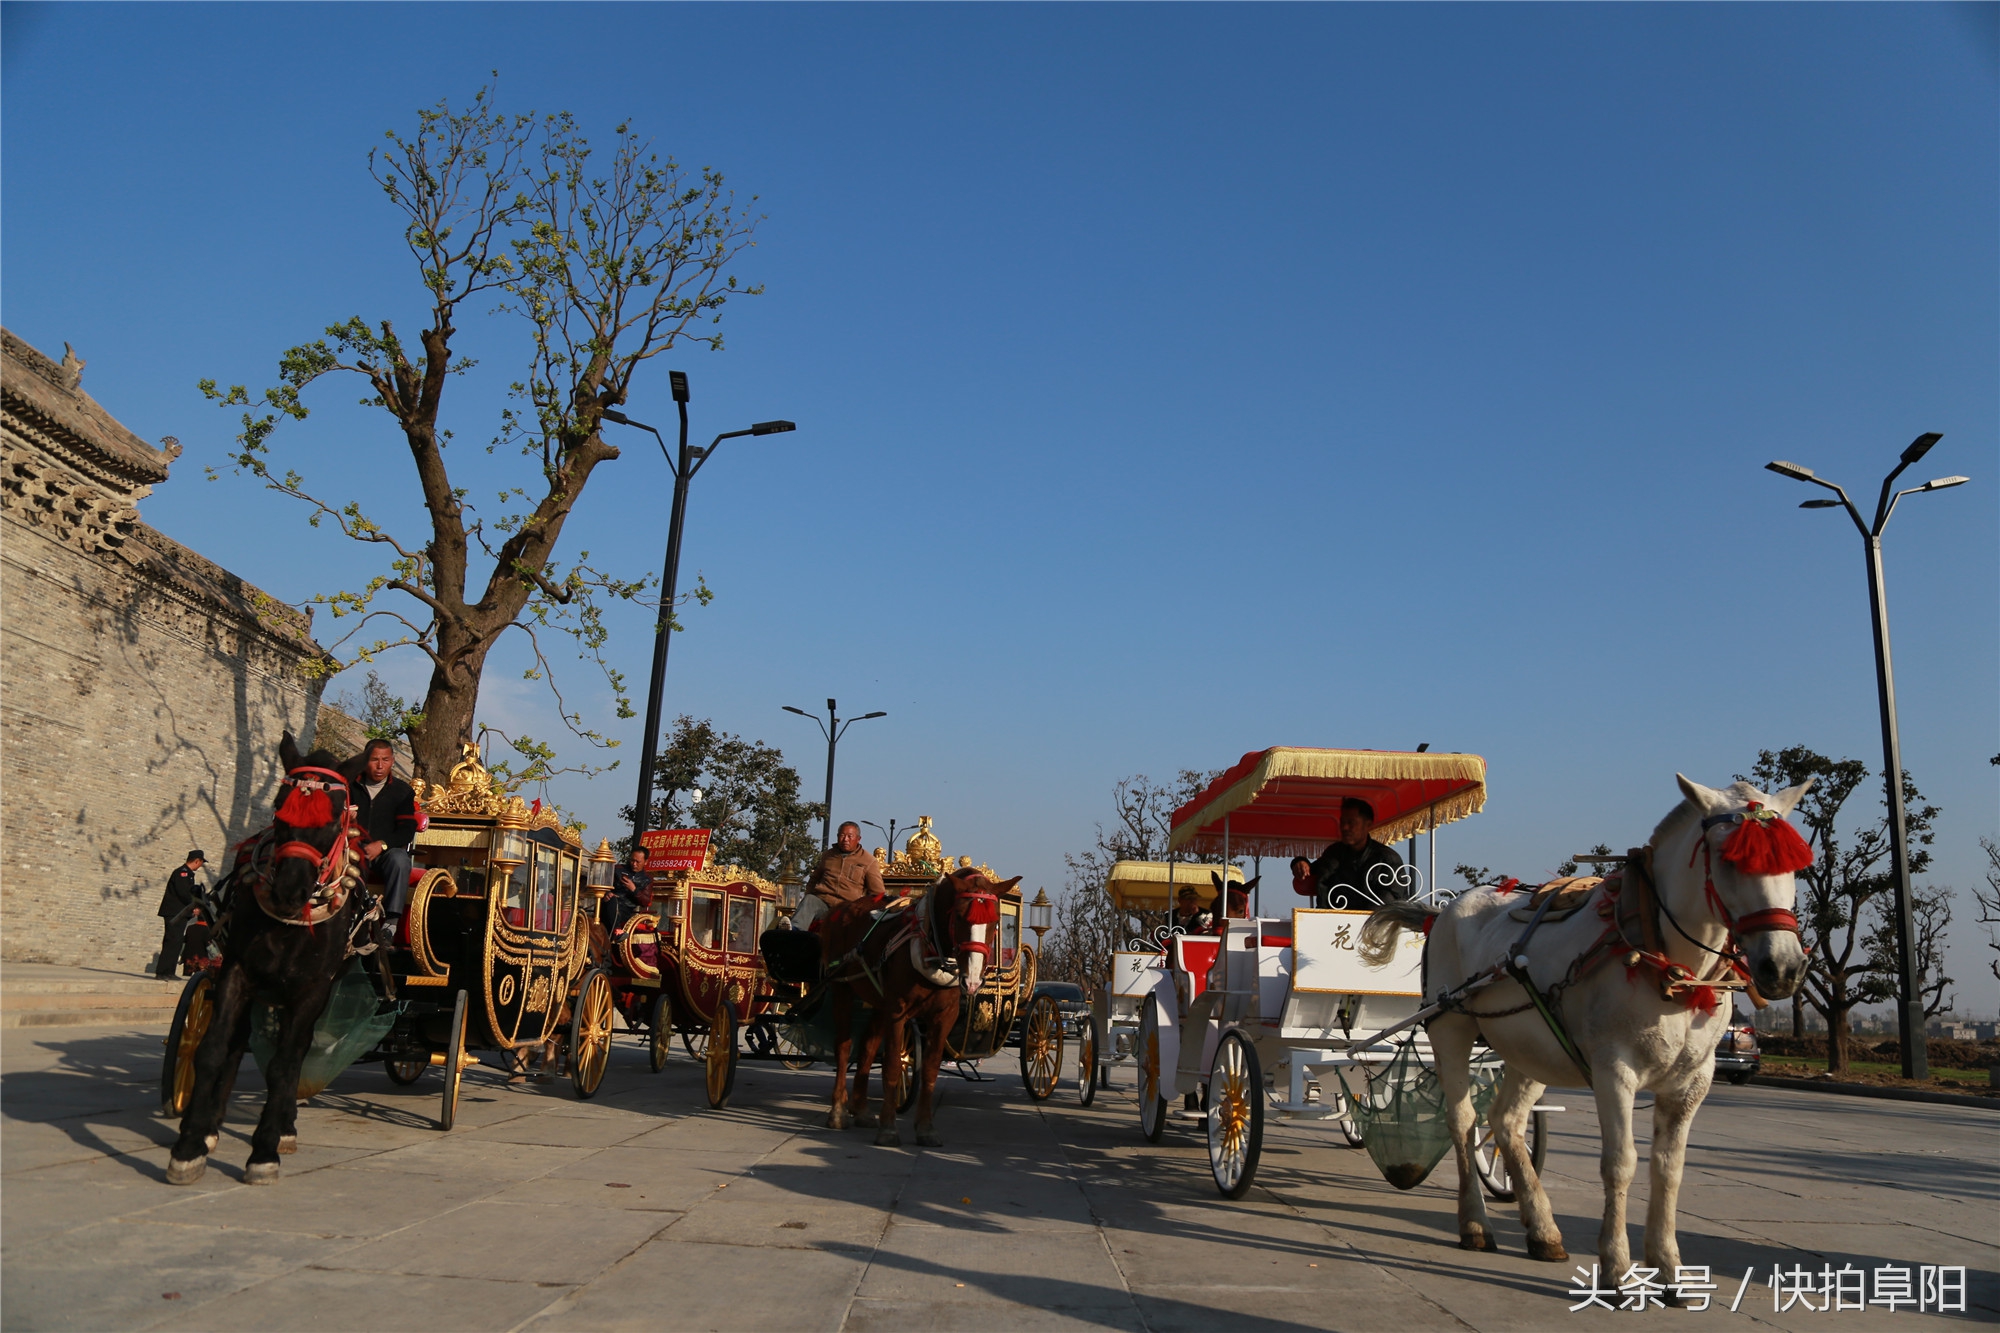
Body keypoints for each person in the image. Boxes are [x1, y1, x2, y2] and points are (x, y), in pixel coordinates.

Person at [354, 740, 420, 944]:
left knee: (400, 859)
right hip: (351, 850)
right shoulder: (348, 787)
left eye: (385, 760)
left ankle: (390, 923)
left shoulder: (402, 792)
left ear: (392, 761)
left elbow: (406, 831)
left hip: (384, 854)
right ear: (365, 761)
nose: (380, 766)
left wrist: (381, 844)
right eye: (374, 760)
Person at [1308, 797, 1407, 909]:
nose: (1345, 827)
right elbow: (1312, 870)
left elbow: (1390, 899)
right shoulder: (1334, 853)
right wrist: (1300, 863)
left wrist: (1358, 920)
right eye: (1342, 822)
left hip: (1374, 924)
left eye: (1351, 823)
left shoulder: (1387, 859)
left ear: (1368, 825)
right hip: (1331, 922)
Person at [795, 821, 886, 932]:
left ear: (858, 839)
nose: (845, 839)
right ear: (837, 837)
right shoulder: (828, 855)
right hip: (823, 903)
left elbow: (878, 893)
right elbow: (814, 879)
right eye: (842, 835)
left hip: (847, 908)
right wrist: (809, 893)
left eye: (849, 836)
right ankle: (794, 933)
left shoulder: (868, 861)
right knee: (809, 900)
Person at [155, 851, 205, 979]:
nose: (200, 866)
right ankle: (163, 972)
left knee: (176, 942)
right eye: (201, 863)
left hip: (180, 913)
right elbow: (184, 893)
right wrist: (194, 906)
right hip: (174, 913)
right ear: (197, 861)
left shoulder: (187, 874)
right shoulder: (182, 873)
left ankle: (169, 972)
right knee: (172, 940)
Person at [606, 846, 653, 934]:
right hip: (609, 903)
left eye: (638, 862)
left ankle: (617, 932)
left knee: (618, 908)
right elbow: (605, 884)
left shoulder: (647, 879)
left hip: (625, 910)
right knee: (612, 900)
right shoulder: (618, 869)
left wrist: (634, 889)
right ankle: (617, 931)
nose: (634, 864)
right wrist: (607, 893)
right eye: (632, 860)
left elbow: (645, 902)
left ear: (645, 862)